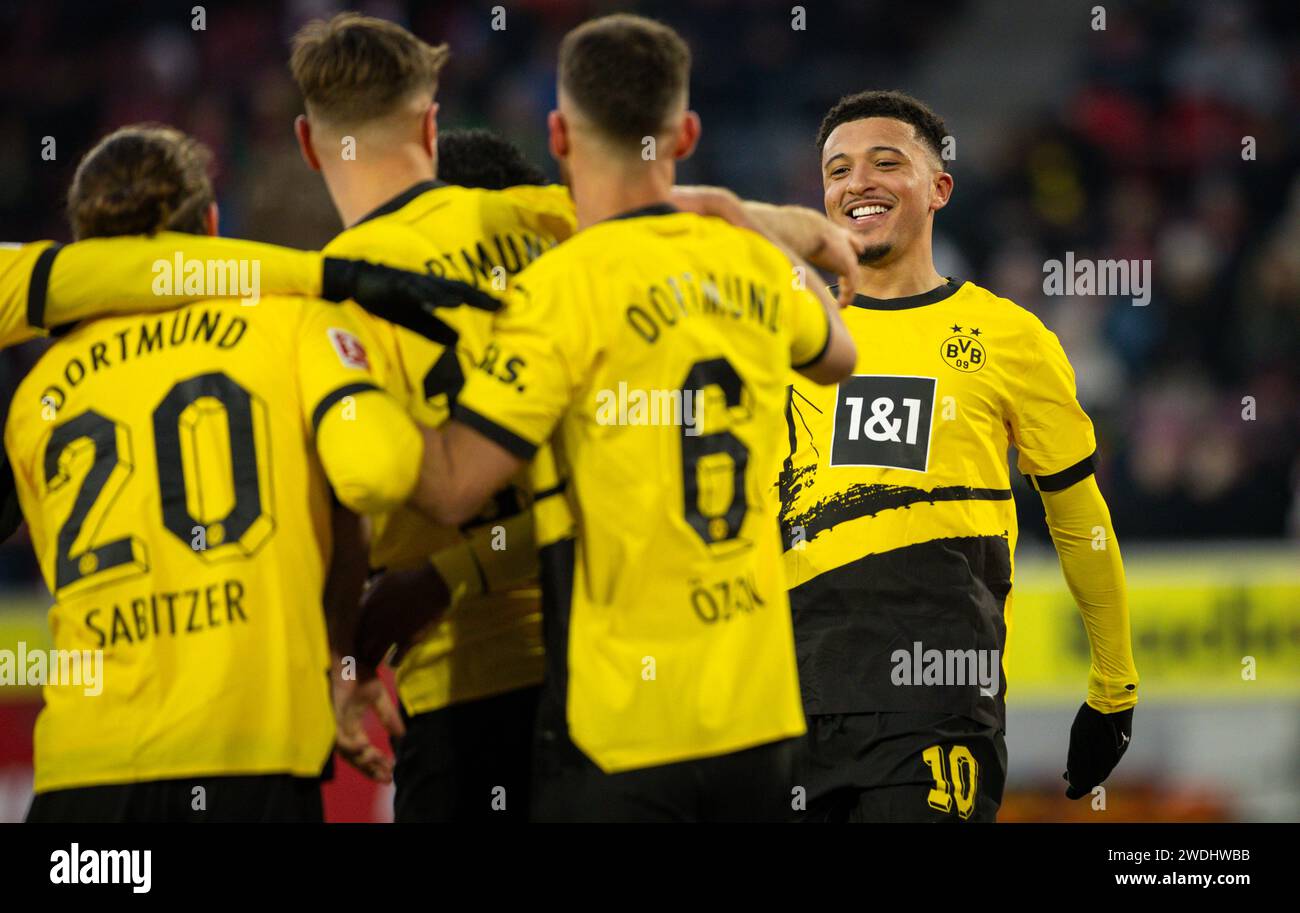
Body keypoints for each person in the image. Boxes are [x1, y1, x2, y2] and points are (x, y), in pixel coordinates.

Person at [403, 13, 856, 822]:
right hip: (760, 726)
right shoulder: (746, 256)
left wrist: (348, 378)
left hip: (621, 733)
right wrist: (732, 213)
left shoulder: (560, 288)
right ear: (684, 132)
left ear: (557, 132)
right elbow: (838, 352)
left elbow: (450, 489)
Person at [9, 124, 452, 823]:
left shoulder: (39, 392)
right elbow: (361, 493)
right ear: (213, 226)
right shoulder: (292, 324)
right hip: (249, 764)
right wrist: (346, 661)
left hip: (79, 783)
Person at [778, 89, 1139, 822]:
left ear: (939, 186)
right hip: (780, 712)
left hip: (933, 710)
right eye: (838, 169)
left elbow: (1079, 519)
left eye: (887, 161)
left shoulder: (1011, 339)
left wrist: (1114, 687)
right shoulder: (780, 333)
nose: (859, 183)